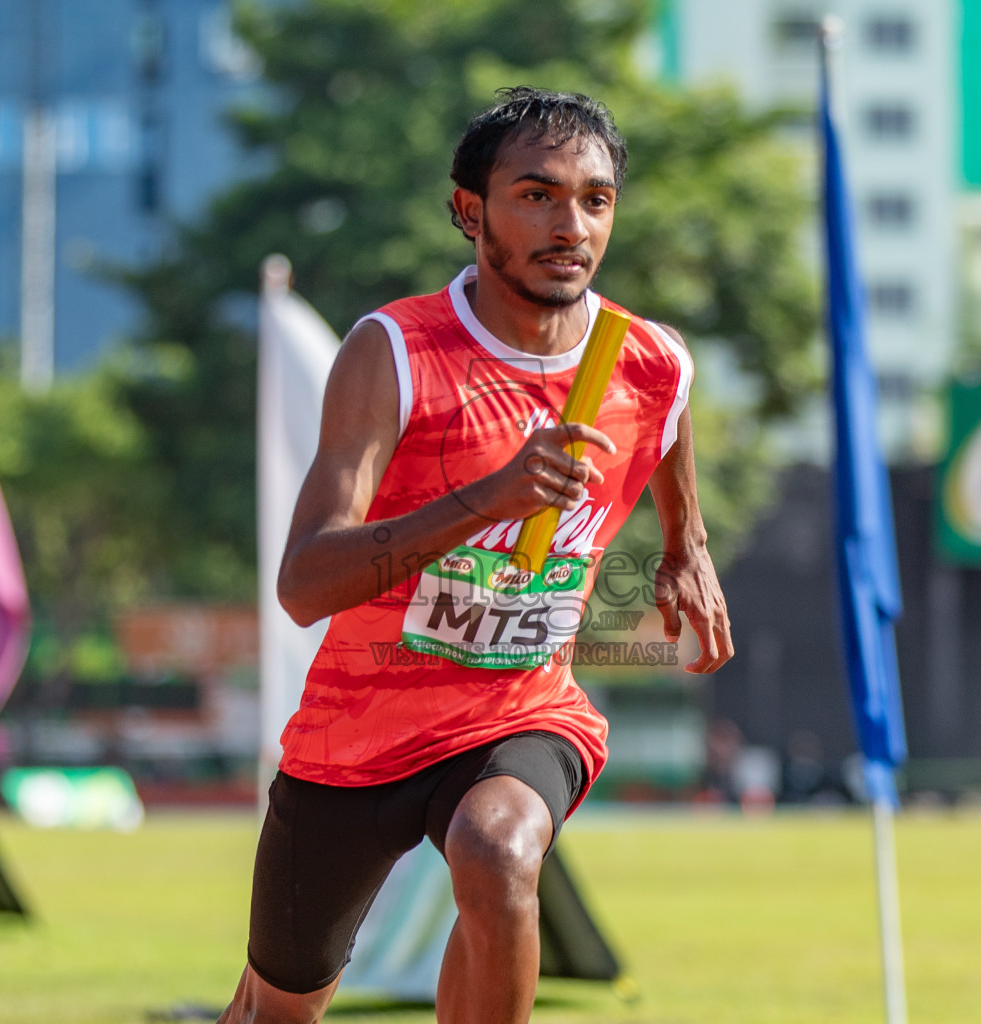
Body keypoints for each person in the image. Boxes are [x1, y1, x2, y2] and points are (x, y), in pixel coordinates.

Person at [220, 86, 734, 1024]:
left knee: (499, 852)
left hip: (521, 712)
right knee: (274, 1012)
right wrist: (485, 502)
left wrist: (686, 543)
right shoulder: (396, 351)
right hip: (357, 739)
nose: (569, 223)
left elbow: (670, 414)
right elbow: (305, 584)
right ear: (470, 211)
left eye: (595, 198)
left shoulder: (649, 360)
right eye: (535, 194)